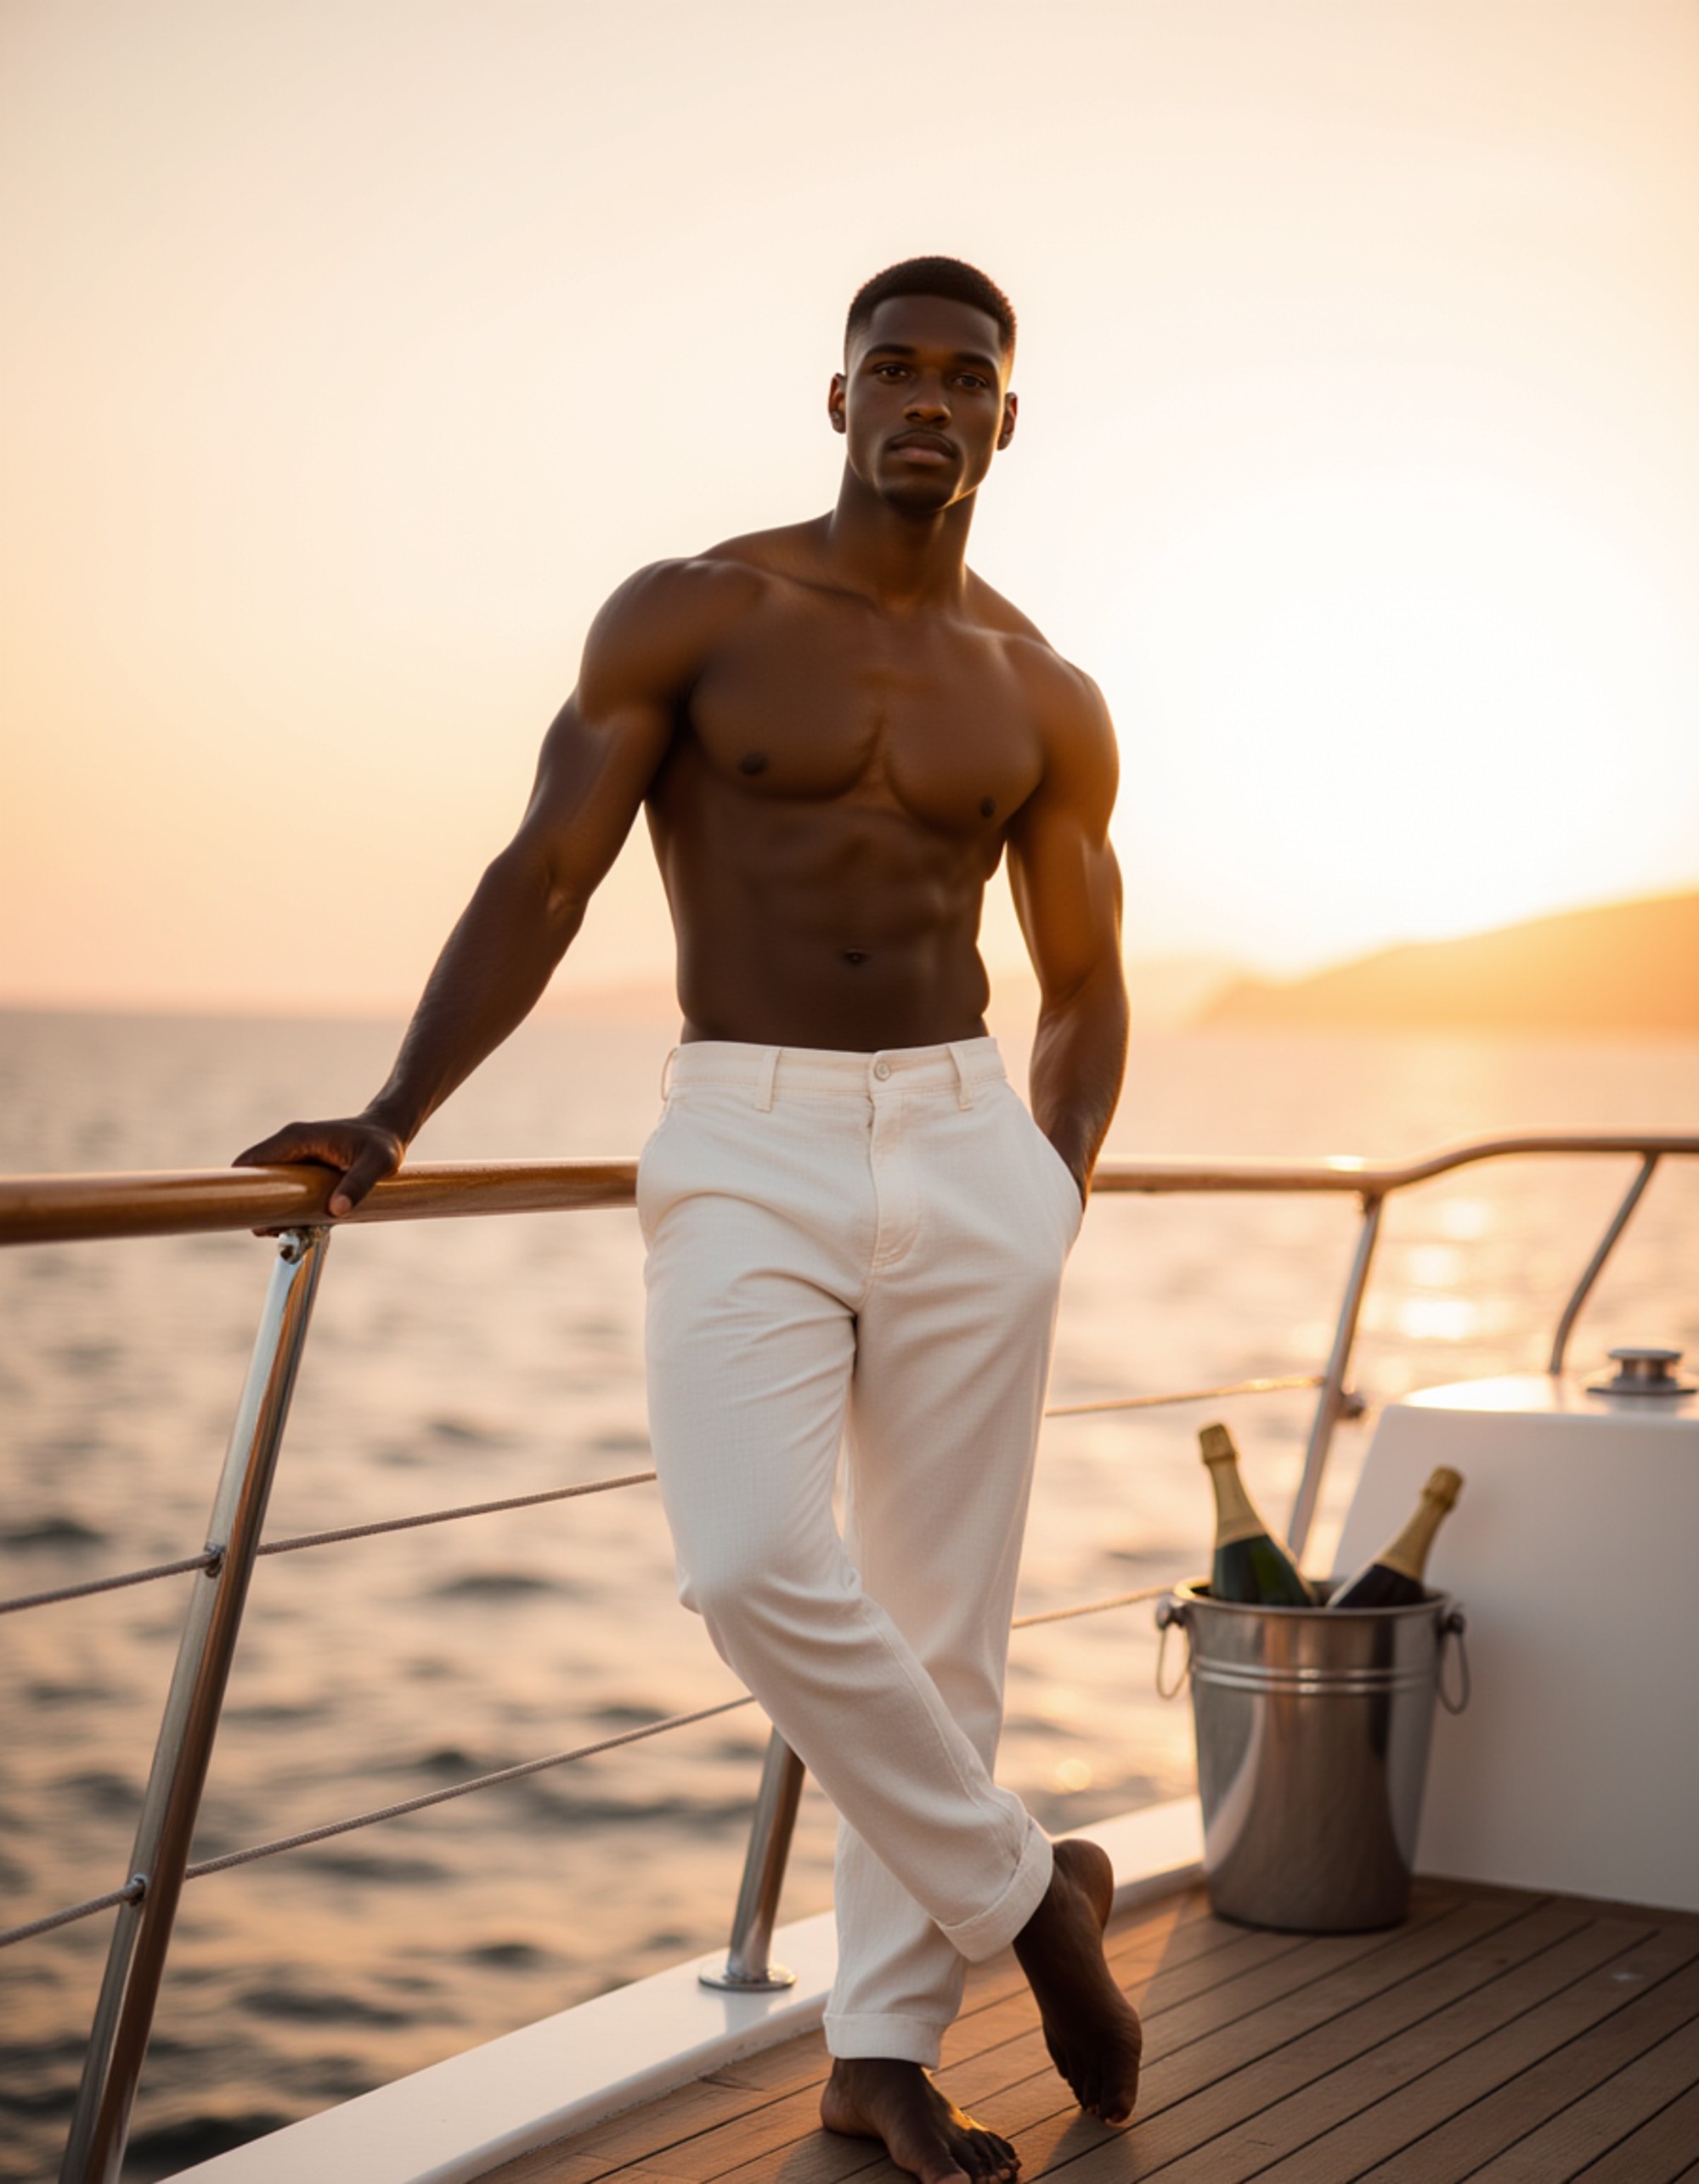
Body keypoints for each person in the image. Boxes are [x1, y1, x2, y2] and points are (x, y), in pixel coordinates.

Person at [236, 256, 1139, 2184]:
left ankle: (879, 2052)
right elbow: (547, 870)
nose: (924, 397)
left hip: (971, 1142)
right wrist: (394, 1111)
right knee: (748, 1564)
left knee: (939, 1626)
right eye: (888, 367)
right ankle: (1030, 1893)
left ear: (1005, 418)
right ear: (834, 403)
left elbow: (1082, 971)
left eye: (961, 375)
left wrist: (1050, 1180)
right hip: (750, 1134)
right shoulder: (695, 611)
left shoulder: (1042, 689)